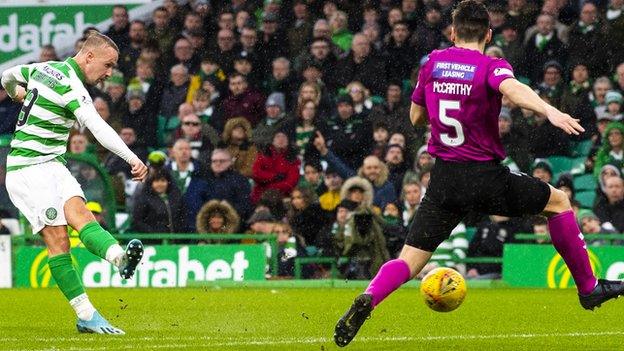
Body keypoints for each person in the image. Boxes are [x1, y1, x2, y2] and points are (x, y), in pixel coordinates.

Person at [333, 2, 624, 347]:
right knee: (559, 202)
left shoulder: (433, 63)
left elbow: (415, 118)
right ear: (488, 34)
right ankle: (589, 288)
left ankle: (370, 296)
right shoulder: (491, 65)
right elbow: (513, 89)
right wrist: (549, 110)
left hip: (443, 181)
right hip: (485, 178)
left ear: (453, 32)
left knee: (409, 260)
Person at [1, 32, 148, 334]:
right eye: (108, 65)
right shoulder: (71, 86)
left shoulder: (42, 69)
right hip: (28, 169)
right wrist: (132, 158)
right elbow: (97, 127)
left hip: (53, 165)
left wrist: (16, 92)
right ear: (89, 56)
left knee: (84, 218)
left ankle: (120, 259)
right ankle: (86, 314)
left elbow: (7, 75)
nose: (109, 74)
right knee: (59, 240)